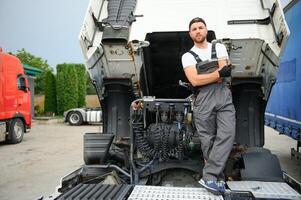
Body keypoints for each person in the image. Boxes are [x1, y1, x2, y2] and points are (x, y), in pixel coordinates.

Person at [181, 17, 236, 195]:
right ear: (190, 33)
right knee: (208, 140)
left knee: (227, 133)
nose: (198, 31)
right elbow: (194, 81)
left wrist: (213, 75)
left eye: (200, 27)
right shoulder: (187, 56)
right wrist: (217, 73)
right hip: (203, 98)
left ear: (206, 30)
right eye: (194, 29)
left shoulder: (218, 46)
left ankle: (209, 176)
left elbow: (225, 73)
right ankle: (217, 180)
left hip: (223, 94)